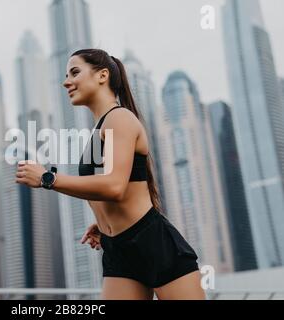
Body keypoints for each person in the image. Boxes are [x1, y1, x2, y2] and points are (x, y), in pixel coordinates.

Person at [15, 48, 205, 300]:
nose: (66, 82)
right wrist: (106, 223)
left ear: (102, 75)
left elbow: (115, 186)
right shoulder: (99, 129)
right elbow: (113, 188)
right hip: (118, 250)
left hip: (153, 243)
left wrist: (47, 178)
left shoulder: (120, 118)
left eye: (74, 72)